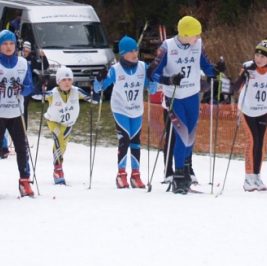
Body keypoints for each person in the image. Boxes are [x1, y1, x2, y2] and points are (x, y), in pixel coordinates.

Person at [150, 16, 222, 194]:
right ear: (186, 33)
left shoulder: (197, 45)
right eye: (195, 35)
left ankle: (186, 169)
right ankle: (179, 174)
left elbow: (206, 66)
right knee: (181, 135)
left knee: (190, 135)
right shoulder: (168, 47)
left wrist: (217, 70)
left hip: (192, 95)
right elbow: (152, 73)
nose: (198, 38)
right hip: (174, 96)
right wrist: (169, 79)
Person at [0, 30, 34, 198]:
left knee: (21, 147)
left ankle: (25, 180)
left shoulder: (23, 64)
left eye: (11, 43)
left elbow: (30, 87)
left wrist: (22, 89)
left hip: (16, 112)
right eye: (4, 44)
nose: (8, 47)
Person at [94, 36, 150, 189]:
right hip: (120, 109)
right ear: (123, 53)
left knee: (136, 141)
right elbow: (99, 88)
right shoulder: (116, 69)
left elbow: (151, 88)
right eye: (131, 51)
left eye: (136, 50)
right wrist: (99, 79)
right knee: (125, 138)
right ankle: (121, 174)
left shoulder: (142, 67)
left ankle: (136, 175)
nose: (134, 53)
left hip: (136, 109)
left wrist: (153, 78)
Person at [233, 35, 267, 191]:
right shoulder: (248, 65)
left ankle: (257, 175)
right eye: (256, 55)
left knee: (261, 142)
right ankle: (248, 177)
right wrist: (244, 76)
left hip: (263, 109)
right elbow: (236, 89)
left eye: (262, 56)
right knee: (252, 140)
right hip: (247, 108)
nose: (258, 59)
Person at [44, 67, 91, 185]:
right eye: (64, 80)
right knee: (59, 139)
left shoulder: (76, 91)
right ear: (58, 81)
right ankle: (58, 170)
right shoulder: (53, 93)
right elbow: (36, 96)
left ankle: (58, 166)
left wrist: (95, 85)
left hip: (68, 123)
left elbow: (94, 100)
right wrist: (41, 83)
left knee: (62, 146)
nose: (67, 82)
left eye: (69, 79)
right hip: (53, 121)